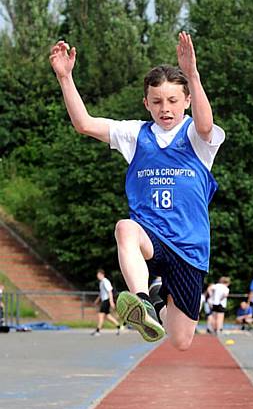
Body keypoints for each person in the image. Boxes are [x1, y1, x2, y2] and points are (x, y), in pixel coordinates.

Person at [50, 34, 225, 350]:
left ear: (186, 100)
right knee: (124, 228)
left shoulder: (198, 139)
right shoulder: (136, 134)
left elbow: (205, 124)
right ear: (146, 103)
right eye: (157, 102)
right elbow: (85, 124)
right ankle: (142, 299)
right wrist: (65, 77)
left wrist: (193, 74)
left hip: (189, 246)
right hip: (151, 237)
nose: (165, 109)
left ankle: (157, 299)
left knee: (181, 341)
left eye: (172, 101)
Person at [91, 269, 120, 336]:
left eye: (98, 275)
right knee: (108, 316)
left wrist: (111, 301)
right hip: (104, 300)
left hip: (106, 300)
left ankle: (98, 331)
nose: (97, 276)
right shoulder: (101, 282)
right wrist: (97, 300)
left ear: (102, 274)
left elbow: (110, 291)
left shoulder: (105, 281)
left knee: (100, 315)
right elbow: (101, 293)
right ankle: (118, 325)